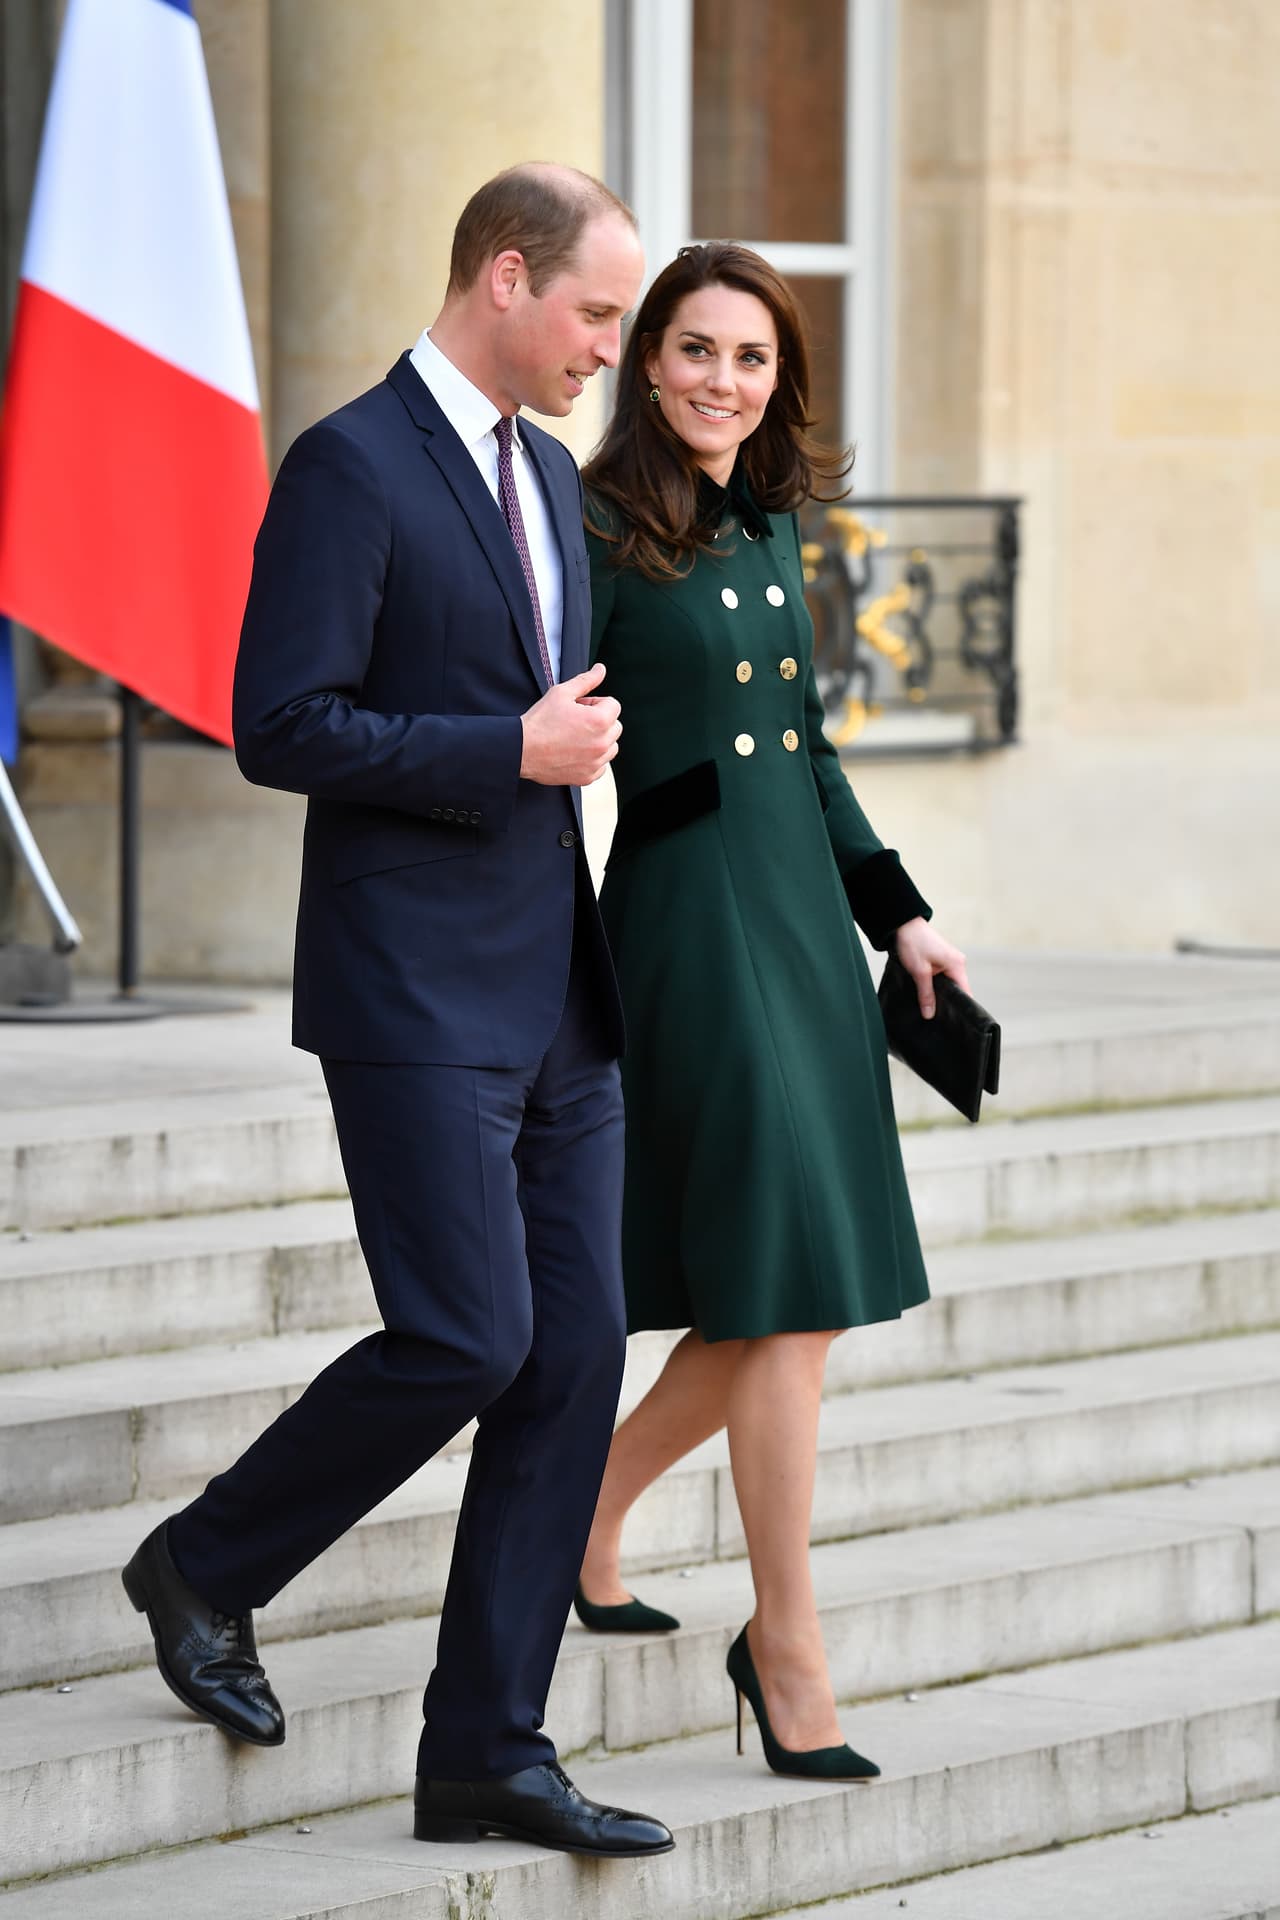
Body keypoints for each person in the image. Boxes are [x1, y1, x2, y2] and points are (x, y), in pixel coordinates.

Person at [121, 164, 673, 1860]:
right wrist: (499, 751)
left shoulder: (558, 480)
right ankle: (205, 1561)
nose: (609, 349)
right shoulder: (350, 465)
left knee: (574, 1349)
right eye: (593, 312)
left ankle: (487, 1749)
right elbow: (279, 722)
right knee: (467, 1333)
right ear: (503, 279)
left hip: (555, 995)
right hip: (410, 991)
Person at [575, 242, 969, 1781]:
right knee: (786, 1289)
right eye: (693, 350)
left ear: (776, 376)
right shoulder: (592, 521)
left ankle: (587, 1517)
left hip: (801, 924)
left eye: (749, 357)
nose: (721, 381)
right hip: (686, 921)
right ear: (645, 359)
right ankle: (786, 1641)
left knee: (773, 1296)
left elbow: (803, 745)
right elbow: (559, 726)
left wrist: (900, 911)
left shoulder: (770, 523)